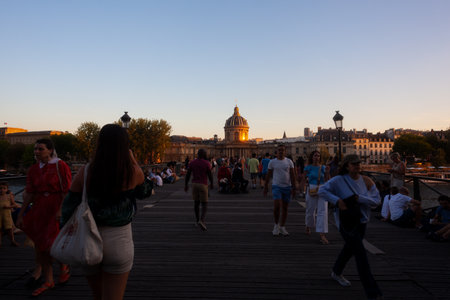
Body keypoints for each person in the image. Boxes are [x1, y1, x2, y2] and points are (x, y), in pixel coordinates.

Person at [61, 124, 144, 300]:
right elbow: (145, 192)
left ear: (100, 143)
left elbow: (68, 207)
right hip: (119, 241)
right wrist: (134, 161)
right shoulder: (132, 172)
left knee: (97, 295)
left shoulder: (86, 171)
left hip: (88, 238)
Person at [319, 154, 382, 300]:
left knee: (349, 249)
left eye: (359, 163)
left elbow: (376, 201)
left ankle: (336, 271)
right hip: (345, 222)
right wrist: (337, 201)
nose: (357, 166)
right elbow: (322, 191)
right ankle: (372, 292)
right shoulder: (338, 180)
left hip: (362, 221)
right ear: (347, 166)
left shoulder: (367, 180)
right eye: (354, 164)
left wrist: (358, 198)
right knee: (361, 254)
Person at [16, 138, 72, 296]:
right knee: (41, 245)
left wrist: (61, 210)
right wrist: (21, 214)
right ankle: (49, 279)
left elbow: (66, 190)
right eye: (35, 149)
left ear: (50, 150)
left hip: (55, 207)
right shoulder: (33, 169)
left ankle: (62, 264)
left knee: (49, 245)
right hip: (40, 207)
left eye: (40, 149)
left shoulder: (60, 166)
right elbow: (29, 193)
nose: (37, 152)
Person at [263, 144, 296, 236]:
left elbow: (293, 175)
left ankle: (282, 226)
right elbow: (268, 175)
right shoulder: (272, 162)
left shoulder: (289, 162)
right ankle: (276, 225)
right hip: (276, 186)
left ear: (285, 151)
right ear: (276, 152)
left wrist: (294, 188)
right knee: (277, 206)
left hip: (287, 187)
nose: (281, 152)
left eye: (282, 150)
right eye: (279, 150)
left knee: (285, 208)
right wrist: (265, 187)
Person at [303, 150, 330, 244]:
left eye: (318, 156)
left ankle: (322, 234)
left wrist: (327, 172)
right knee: (310, 210)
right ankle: (308, 225)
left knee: (323, 211)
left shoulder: (323, 167)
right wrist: (301, 188)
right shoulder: (308, 167)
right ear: (312, 157)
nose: (317, 157)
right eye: (315, 155)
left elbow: (328, 180)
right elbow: (303, 178)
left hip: (322, 189)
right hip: (311, 189)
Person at [184, 149, 214, 231]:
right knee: (204, 204)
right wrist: (211, 183)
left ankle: (197, 220)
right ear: (204, 155)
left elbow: (188, 174)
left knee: (196, 203)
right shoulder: (206, 163)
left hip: (194, 184)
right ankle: (202, 220)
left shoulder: (192, 162)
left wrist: (186, 185)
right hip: (203, 184)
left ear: (197, 154)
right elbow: (210, 174)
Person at [0, 181, 20, 247]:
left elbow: (14, 205)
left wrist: (8, 207)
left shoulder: (8, 196)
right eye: (0, 188)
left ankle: (12, 241)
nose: (2, 190)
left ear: (7, 189)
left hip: (7, 215)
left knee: (10, 229)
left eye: (4, 188)